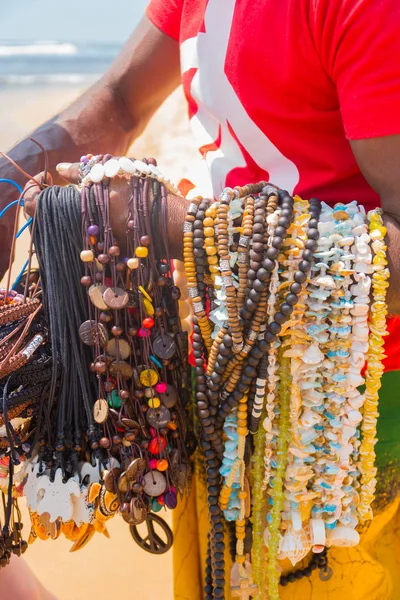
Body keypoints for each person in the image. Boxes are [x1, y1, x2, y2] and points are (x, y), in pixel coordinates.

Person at [1, 1, 400, 598]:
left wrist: (178, 229)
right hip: (219, 387)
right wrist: (11, 176)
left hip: (349, 410)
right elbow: (120, 100)